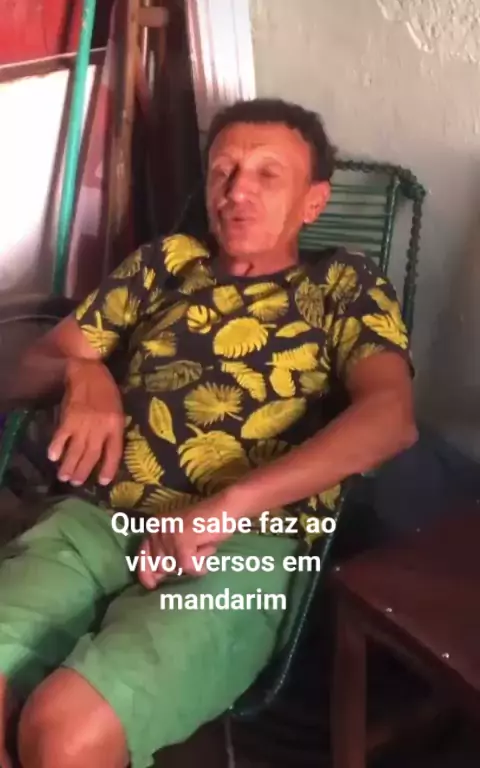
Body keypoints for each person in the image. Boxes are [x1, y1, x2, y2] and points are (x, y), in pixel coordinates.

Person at [0, 98, 417, 768]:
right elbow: (24, 369)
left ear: (313, 202)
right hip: (98, 517)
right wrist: (82, 374)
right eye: (223, 171)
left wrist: (227, 507)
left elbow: (391, 418)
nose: (237, 190)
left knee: (63, 733)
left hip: (244, 545)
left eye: (267, 174)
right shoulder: (165, 263)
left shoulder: (343, 283)